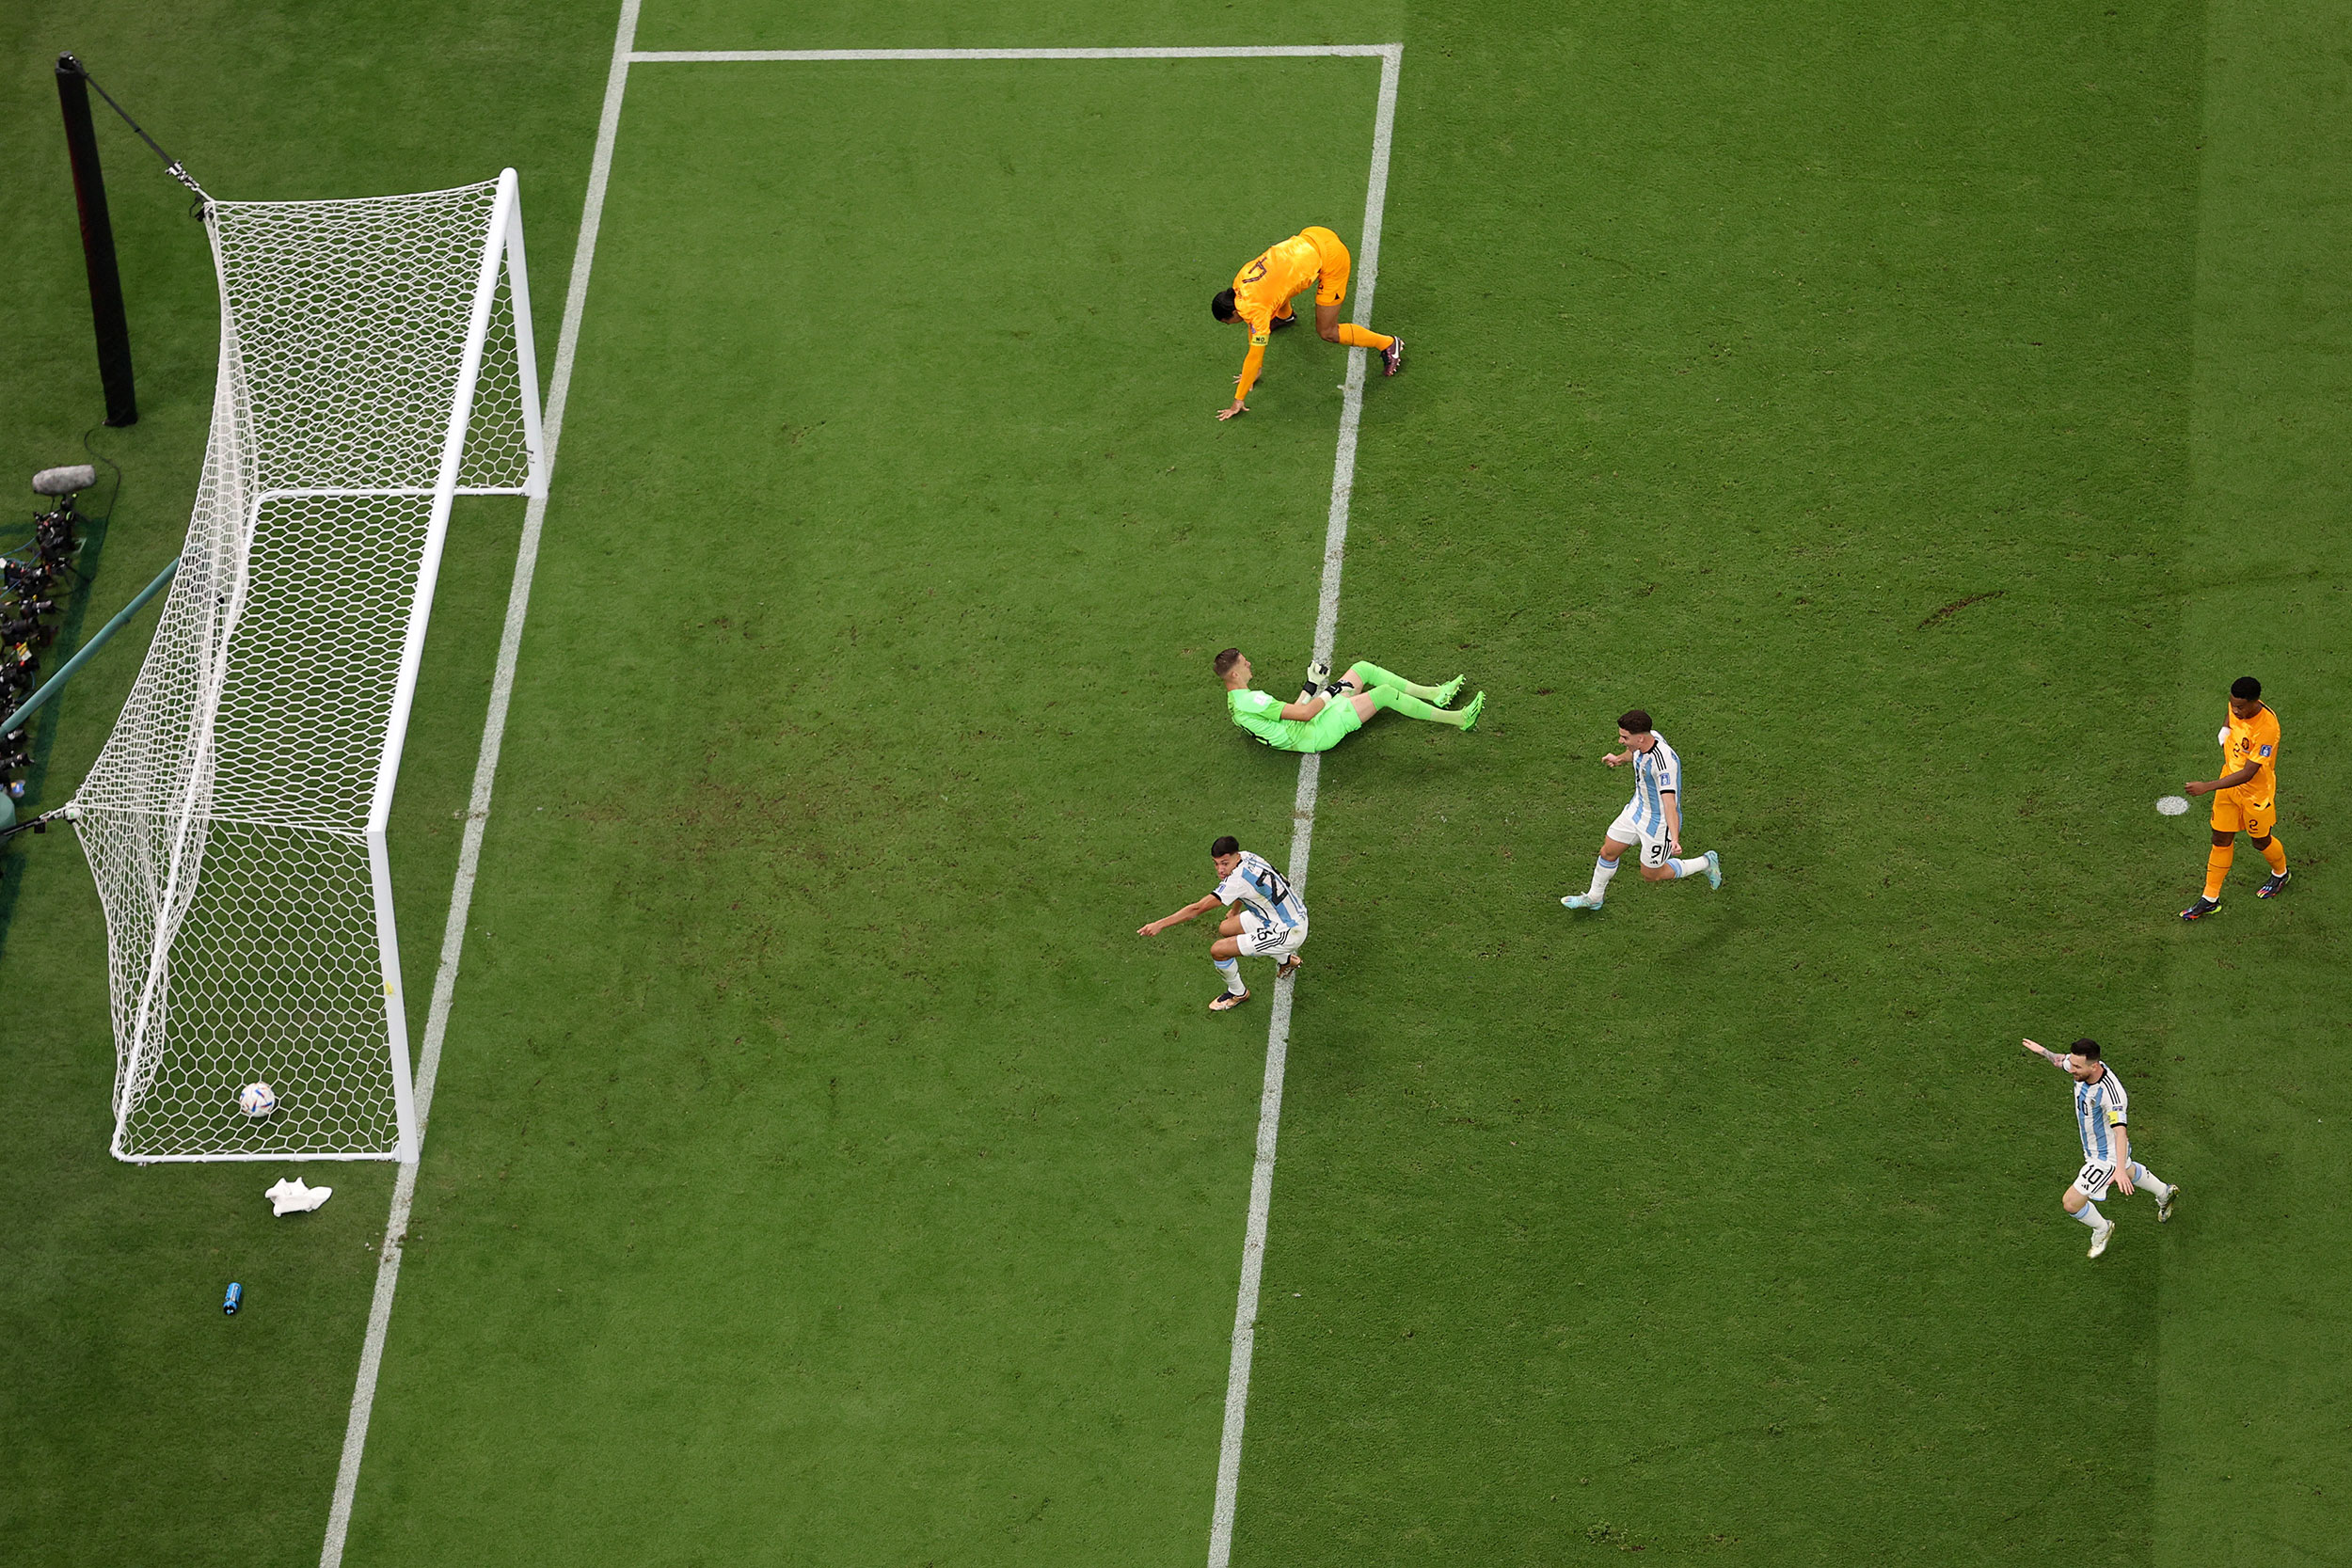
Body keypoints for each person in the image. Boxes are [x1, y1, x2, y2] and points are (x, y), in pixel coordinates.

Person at [1212, 225, 1403, 420]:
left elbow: (1254, 352)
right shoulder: (1239, 283)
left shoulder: (1253, 310)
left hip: (1332, 258)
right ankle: (1285, 316)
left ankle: (1388, 343)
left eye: (1230, 322)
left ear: (1234, 312)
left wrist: (1239, 399)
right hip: (1313, 234)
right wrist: (1257, 370)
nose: (1234, 324)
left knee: (1327, 331)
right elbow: (1272, 292)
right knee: (1279, 287)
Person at [2020, 1037, 2177, 1258]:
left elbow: (2120, 1132)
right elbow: (2058, 1061)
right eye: (2072, 1064)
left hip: (2106, 1158)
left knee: (2071, 1203)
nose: (2071, 1069)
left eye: (2076, 1067)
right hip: (2096, 1150)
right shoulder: (2082, 1068)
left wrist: (2118, 1169)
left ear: (2094, 1066)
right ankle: (2164, 1192)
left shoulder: (2112, 1095)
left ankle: (2102, 1228)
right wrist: (2042, 1051)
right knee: (2130, 1171)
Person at [1560, 709, 1721, 910]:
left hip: (1658, 825)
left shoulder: (1663, 765)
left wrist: (1674, 838)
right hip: (1636, 809)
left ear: (1641, 738)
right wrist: (1619, 759)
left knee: (1651, 875)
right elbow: (1633, 752)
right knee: (1608, 851)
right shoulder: (1647, 739)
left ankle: (1706, 862)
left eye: (1624, 737)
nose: (1621, 741)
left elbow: (1670, 803)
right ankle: (1594, 898)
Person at [1136, 836, 1308, 1012]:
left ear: (1235, 856)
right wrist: (1234, 911)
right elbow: (1246, 891)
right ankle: (1287, 961)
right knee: (1226, 928)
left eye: (1224, 863)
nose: (1220, 869)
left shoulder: (1236, 881)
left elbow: (1197, 909)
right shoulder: (1247, 857)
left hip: (1288, 931)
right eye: (1216, 864)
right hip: (1282, 914)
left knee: (1218, 951)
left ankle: (1237, 993)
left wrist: (1160, 924)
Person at [1216, 648, 1482, 752]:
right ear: (1236, 673)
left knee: (1362, 668)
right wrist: (1329, 692)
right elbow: (1305, 715)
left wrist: (1311, 684)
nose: (1250, 663)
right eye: (1244, 662)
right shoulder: (1253, 702)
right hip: (1317, 732)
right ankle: (1459, 719)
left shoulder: (1239, 701)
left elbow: (1294, 711)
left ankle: (1434, 694)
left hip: (1308, 724)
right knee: (1385, 694)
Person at [2180, 675, 2286, 921]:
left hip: (2255, 794)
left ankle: (2280, 874)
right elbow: (2230, 712)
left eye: (2240, 707)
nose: (2235, 710)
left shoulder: (2267, 728)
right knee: (2220, 837)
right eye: (2232, 704)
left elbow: (2249, 773)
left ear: (2254, 702)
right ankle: (2210, 898)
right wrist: (2226, 727)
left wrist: (2207, 786)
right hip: (2228, 784)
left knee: (2260, 841)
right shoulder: (2236, 706)